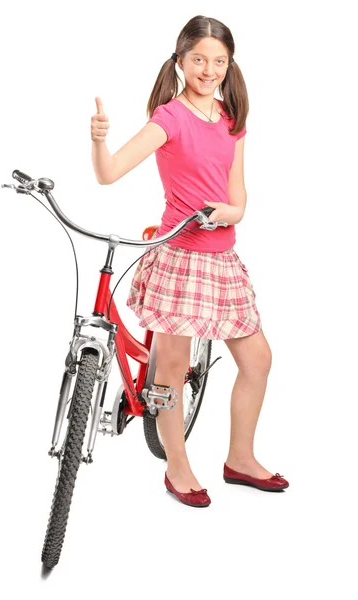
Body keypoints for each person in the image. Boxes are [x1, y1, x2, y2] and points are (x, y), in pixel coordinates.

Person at [91, 14, 289, 508]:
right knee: (172, 370)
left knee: (258, 359)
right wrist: (98, 139)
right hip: (180, 256)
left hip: (222, 260)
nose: (209, 69)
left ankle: (240, 458)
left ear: (229, 64)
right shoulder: (170, 118)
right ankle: (176, 467)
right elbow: (109, 172)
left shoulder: (231, 119)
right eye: (199, 59)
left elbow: (239, 199)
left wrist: (228, 212)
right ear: (180, 61)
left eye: (219, 60)